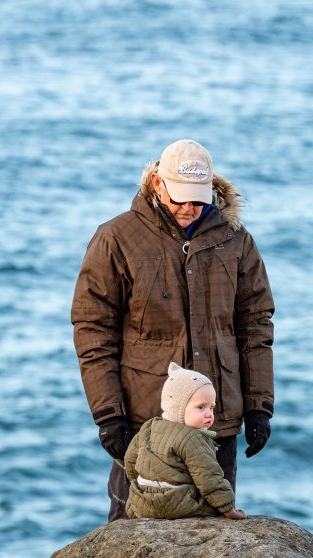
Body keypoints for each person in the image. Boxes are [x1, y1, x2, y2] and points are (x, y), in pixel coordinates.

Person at [71, 139, 274, 522]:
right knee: (131, 531)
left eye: (197, 200)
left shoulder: (236, 241)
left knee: (214, 528)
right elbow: (93, 331)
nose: (187, 208)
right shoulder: (115, 239)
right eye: (179, 197)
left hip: (215, 419)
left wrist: (259, 406)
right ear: (155, 183)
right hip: (146, 422)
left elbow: (256, 326)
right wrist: (109, 415)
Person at [124, 362, 247, 520]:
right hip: (178, 506)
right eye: (201, 407)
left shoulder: (149, 426)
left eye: (211, 407)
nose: (209, 414)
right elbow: (209, 477)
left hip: (142, 503)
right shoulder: (193, 437)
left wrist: (140, 488)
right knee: (211, 505)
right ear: (178, 407)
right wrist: (227, 508)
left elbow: (130, 461)